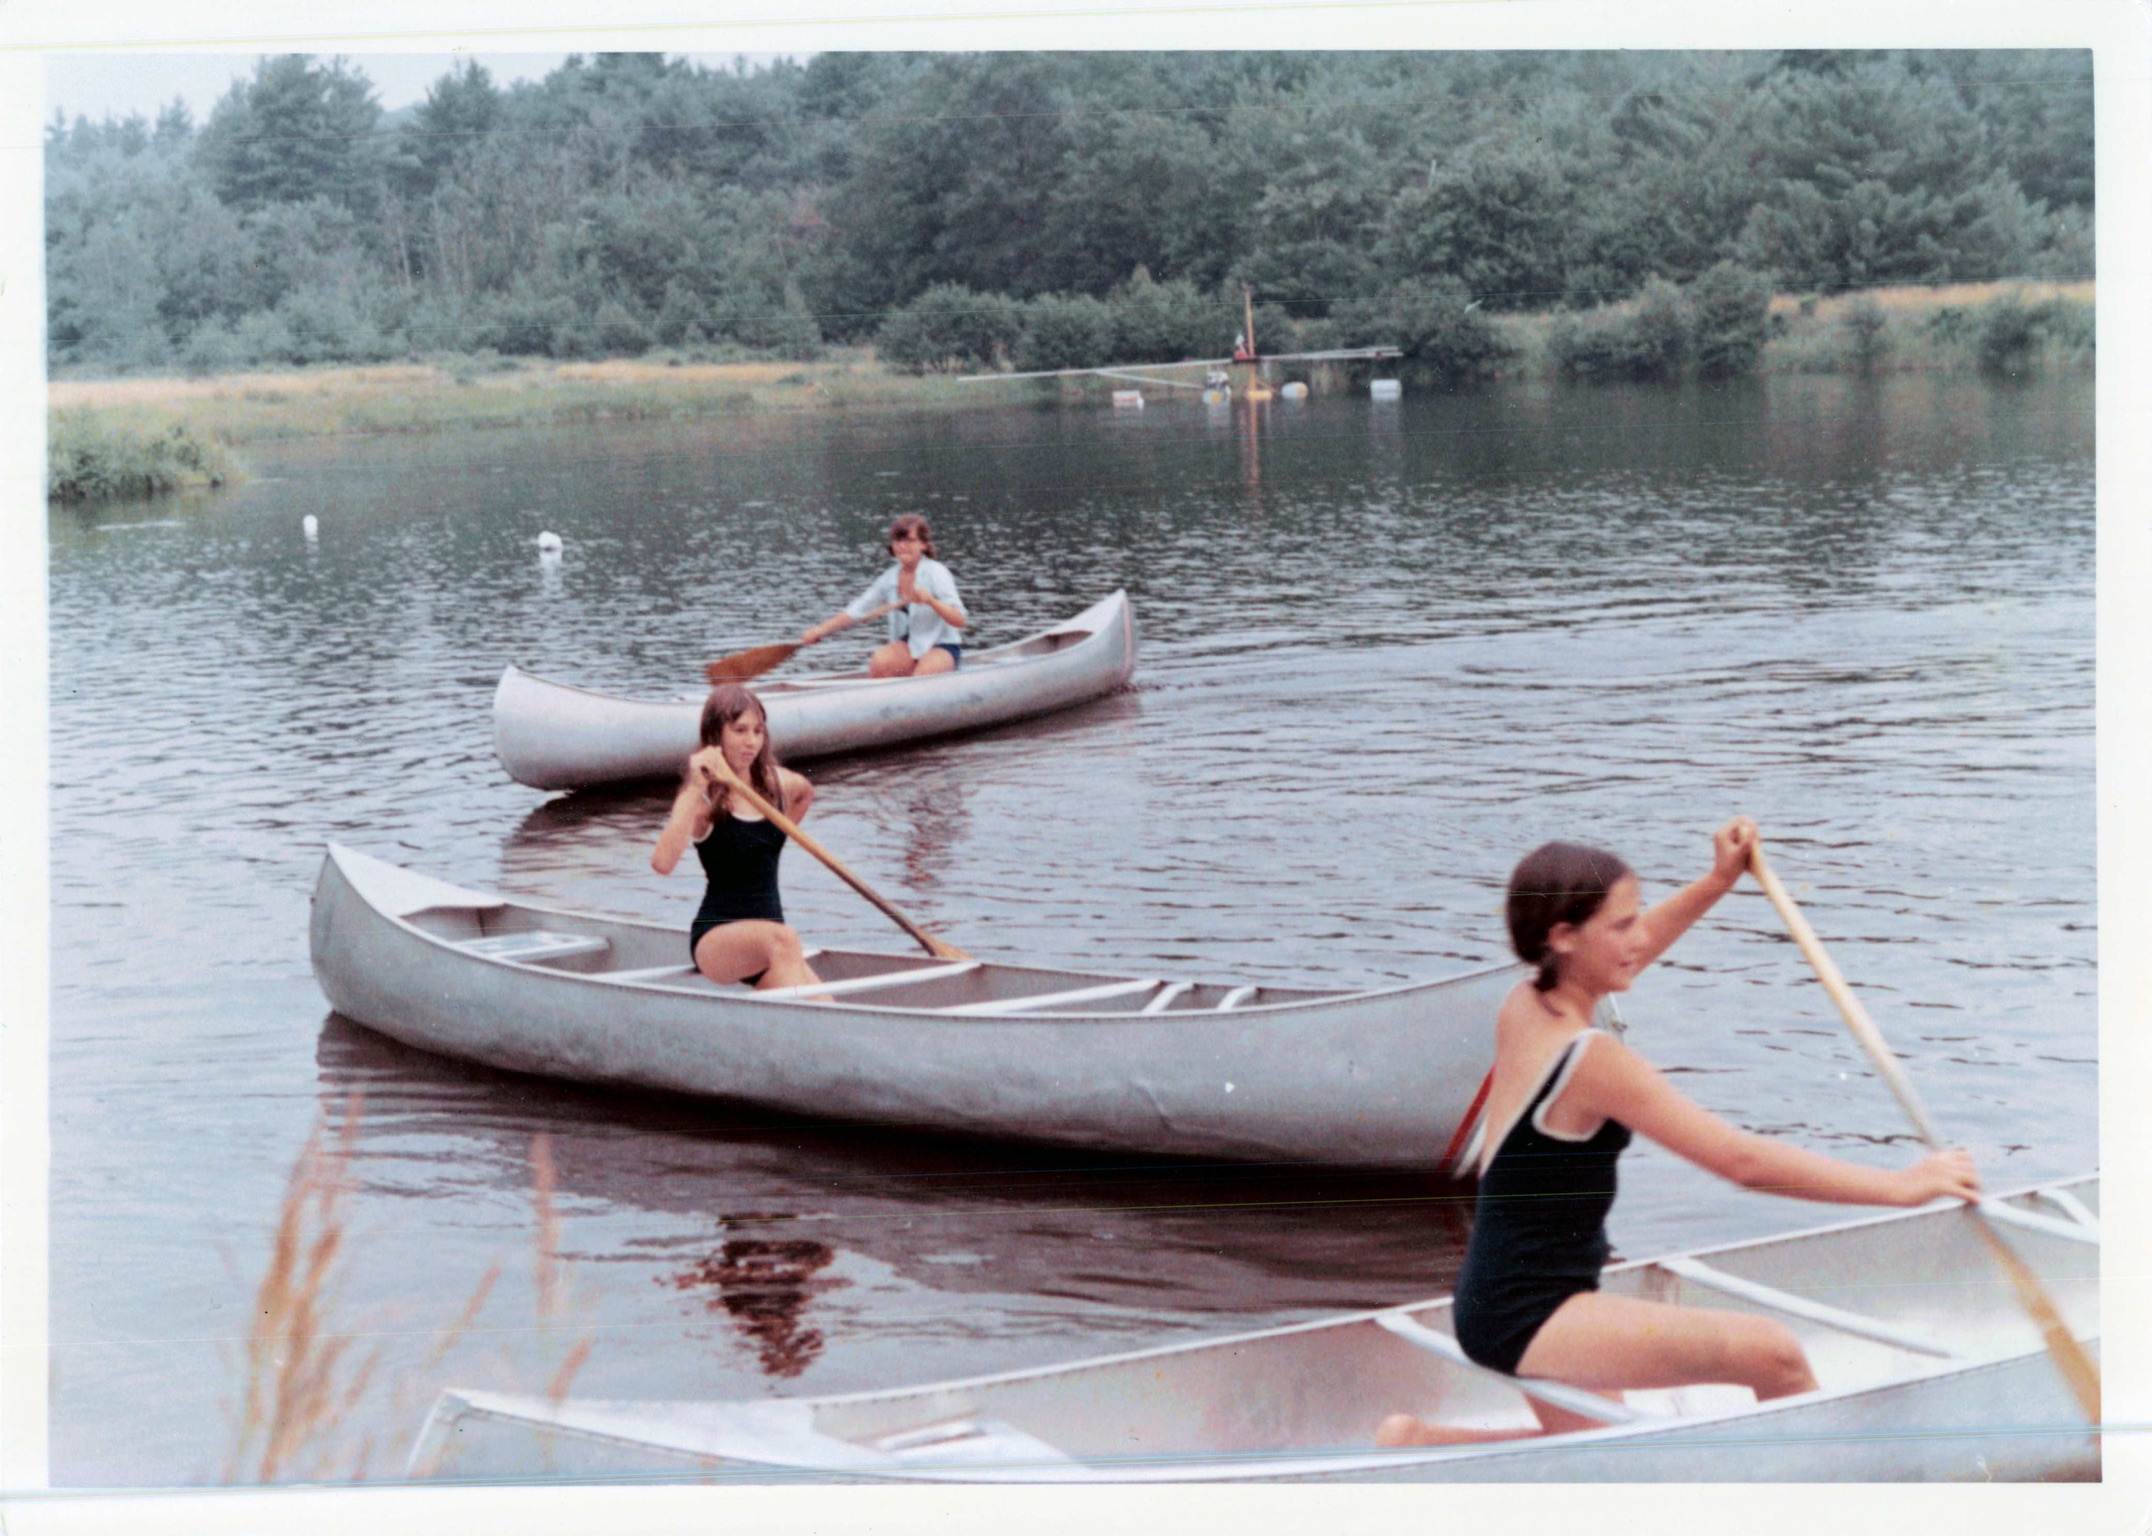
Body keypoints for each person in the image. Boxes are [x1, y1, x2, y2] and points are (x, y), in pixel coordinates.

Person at [1376, 818, 1981, 1448]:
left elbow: (1624, 956)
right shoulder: (1592, 1061)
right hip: (1534, 1315)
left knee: (1615, 1468)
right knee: (1772, 1352)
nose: (1639, 939)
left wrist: (1717, 882)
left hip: (1497, 1301)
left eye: (1638, 920)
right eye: (1621, 926)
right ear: (1563, 937)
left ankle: (1418, 1445)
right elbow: (1741, 1162)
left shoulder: (1525, 1004)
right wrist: (1902, 1187)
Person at [650, 684, 823, 993]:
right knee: (786, 939)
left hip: (772, 946)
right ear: (716, 735)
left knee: (824, 1005)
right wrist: (695, 785)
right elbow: (662, 863)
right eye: (740, 730)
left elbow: (805, 793)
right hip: (718, 937)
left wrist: (773, 837)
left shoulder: (775, 784)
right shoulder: (701, 799)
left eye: (758, 731)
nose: (751, 741)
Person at [799, 513, 967, 678]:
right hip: (911, 644)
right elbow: (857, 611)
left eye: (909, 541)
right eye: (898, 541)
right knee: (880, 662)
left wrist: (931, 601)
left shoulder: (936, 572)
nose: (902, 546)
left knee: (925, 673)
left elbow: (960, 620)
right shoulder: (890, 578)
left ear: (923, 544)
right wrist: (820, 630)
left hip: (943, 644)